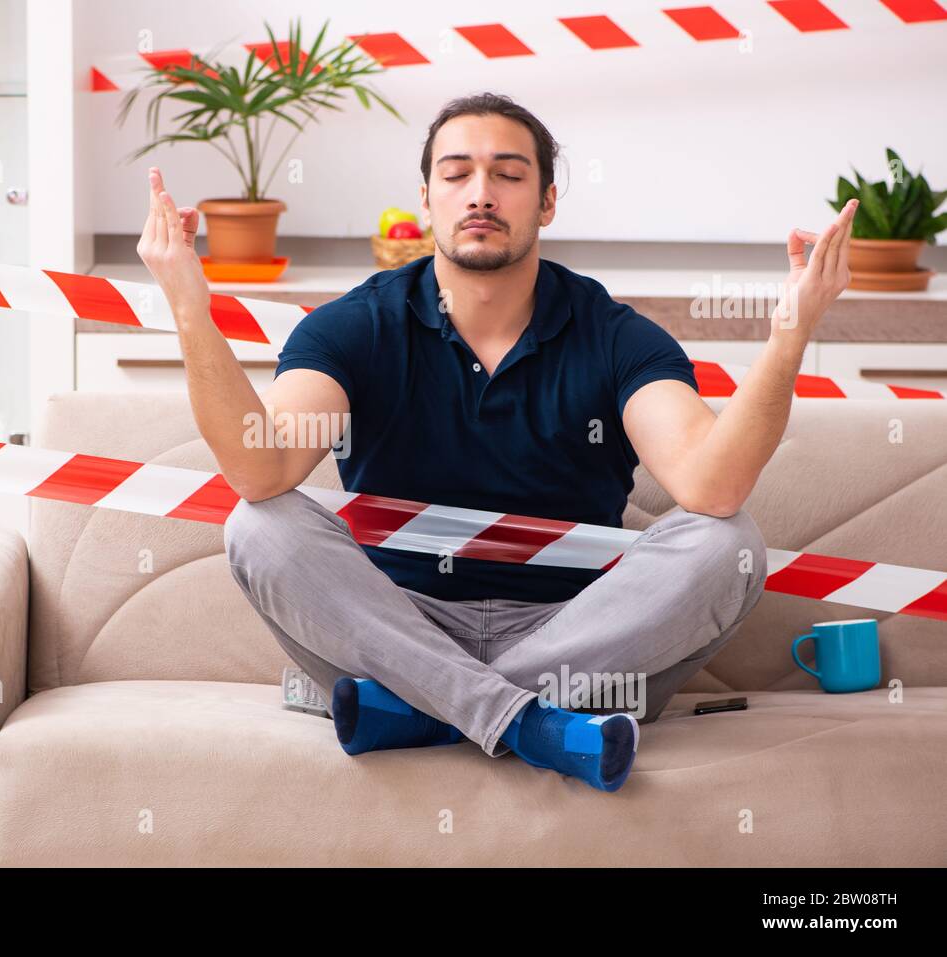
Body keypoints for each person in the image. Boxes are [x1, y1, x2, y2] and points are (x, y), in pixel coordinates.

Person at [136, 91, 858, 793]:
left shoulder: (613, 334)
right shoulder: (355, 327)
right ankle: (534, 725)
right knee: (259, 522)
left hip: (582, 635)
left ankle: (427, 713)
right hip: (396, 623)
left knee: (725, 541)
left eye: (509, 175)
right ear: (427, 198)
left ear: (546, 201)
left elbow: (712, 487)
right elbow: (262, 466)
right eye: (456, 174)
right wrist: (189, 307)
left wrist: (788, 336)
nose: (480, 192)